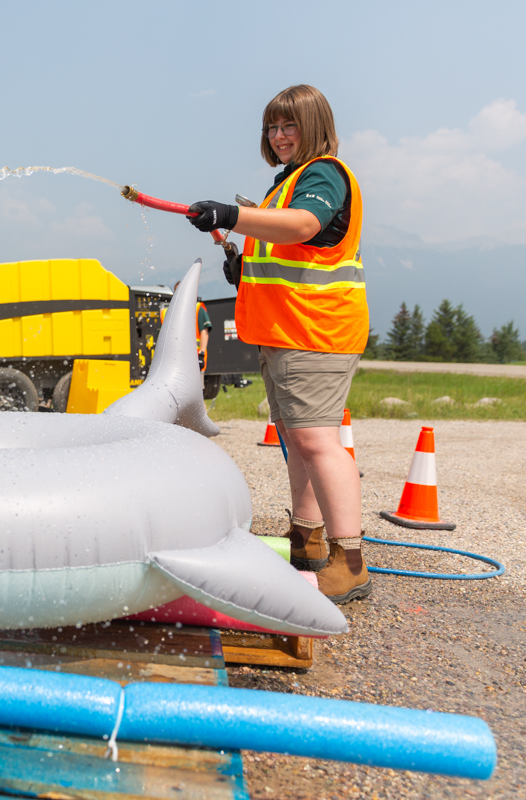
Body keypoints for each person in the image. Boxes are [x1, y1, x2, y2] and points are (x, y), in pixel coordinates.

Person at [186, 84, 370, 604]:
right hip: (288, 331)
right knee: (298, 442)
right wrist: (242, 264)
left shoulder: (322, 175)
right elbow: (298, 253)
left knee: (316, 443)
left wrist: (231, 216)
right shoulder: (285, 183)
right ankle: (309, 542)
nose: (280, 135)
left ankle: (349, 561)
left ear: (313, 128)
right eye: (273, 126)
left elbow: (306, 226)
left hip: (315, 331)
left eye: (290, 125)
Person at [165, 279, 213, 372]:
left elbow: (204, 333)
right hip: (175, 360)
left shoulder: (197, 309)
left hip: (195, 359)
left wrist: (201, 354)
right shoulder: (167, 312)